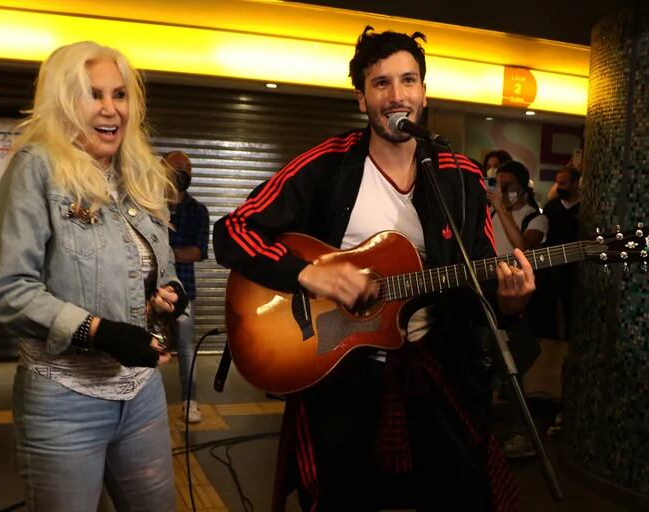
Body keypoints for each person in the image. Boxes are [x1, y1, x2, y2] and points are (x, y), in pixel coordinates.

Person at [213, 26, 535, 512]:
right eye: (380, 83)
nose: (396, 94)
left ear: (424, 94)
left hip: (436, 370)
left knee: (458, 493)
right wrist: (306, 273)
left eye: (408, 80)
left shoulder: (461, 174)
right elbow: (233, 230)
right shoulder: (327, 164)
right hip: (340, 369)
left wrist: (510, 303)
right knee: (341, 496)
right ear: (361, 97)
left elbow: (478, 277)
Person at [0, 41, 187, 511]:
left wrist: (165, 292)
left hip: (141, 393)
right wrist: (97, 331)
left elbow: (157, 261)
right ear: (63, 102)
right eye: (93, 94)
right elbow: (5, 289)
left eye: (120, 95)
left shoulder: (137, 174)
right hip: (63, 399)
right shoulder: (36, 169)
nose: (110, 109)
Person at [161, 150, 210, 423]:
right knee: (147, 344)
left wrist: (163, 253)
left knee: (186, 347)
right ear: (162, 167)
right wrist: (178, 252)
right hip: (148, 291)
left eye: (188, 168)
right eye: (178, 166)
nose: (184, 172)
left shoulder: (198, 211)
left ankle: (190, 401)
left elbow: (198, 251)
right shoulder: (147, 205)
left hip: (184, 291)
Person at [487, 160, 548, 256]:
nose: (501, 189)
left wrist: (500, 208)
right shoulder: (491, 212)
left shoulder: (536, 218)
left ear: (521, 188)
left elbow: (522, 247)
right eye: (498, 184)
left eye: (507, 185)